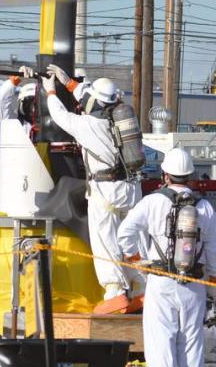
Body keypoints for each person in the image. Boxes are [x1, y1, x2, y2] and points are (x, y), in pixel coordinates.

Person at [118, 147, 216, 367]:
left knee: (160, 338)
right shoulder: (205, 207)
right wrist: (214, 281)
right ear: (190, 176)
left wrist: (135, 259)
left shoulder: (153, 202)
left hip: (161, 280)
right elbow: (214, 250)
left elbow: (125, 232)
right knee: (192, 339)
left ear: (165, 175)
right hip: (195, 283)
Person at [42, 66, 142, 313]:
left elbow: (60, 116)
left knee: (105, 241)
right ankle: (140, 289)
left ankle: (115, 294)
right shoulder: (119, 118)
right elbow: (89, 97)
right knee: (132, 242)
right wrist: (70, 83)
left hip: (105, 190)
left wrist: (51, 91)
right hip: (131, 187)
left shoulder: (88, 125)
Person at [0, 66, 37, 135]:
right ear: (22, 105)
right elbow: (1, 101)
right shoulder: (15, 124)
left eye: (36, 104)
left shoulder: (49, 123)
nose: (34, 108)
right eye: (29, 104)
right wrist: (15, 80)